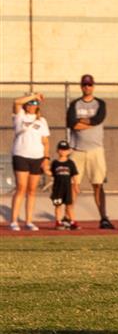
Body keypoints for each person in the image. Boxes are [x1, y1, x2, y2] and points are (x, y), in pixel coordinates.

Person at [66, 73, 113, 228]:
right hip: (77, 150)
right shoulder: (74, 104)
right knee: (73, 185)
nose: (87, 87)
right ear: (81, 86)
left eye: (89, 85)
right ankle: (69, 218)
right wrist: (88, 123)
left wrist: (83, 122)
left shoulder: (100, 103)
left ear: (93, 86)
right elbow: (71, 123)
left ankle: (104, 217)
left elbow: (98, 119)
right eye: (84, 85)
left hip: (95, 150)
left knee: (98, 184)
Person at [8, 93, 50, 232]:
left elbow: (45, 142)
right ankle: (14, 220)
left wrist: (46, 159)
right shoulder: (20, 116)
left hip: (36, 157)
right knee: (21, 187)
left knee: (32, 190)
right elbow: (16, 101)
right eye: (30, 103)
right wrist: (33, 96)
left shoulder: (41, 121)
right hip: (21, 155)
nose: (32, 106)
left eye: (35, 104)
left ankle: (29, 221)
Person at [49, 141, 80, 229]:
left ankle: (72, 222)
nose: (63, 151)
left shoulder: (70, 163)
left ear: (69, 151)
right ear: (57, 151)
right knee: (58, 206)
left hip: (67, 188)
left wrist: (76, 186)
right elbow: (51, 173)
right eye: (61, 149)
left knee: (69, 206)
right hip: (57, 188)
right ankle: (58, 222)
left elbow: (75, 175)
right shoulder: (55, 163)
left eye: (65, 150)